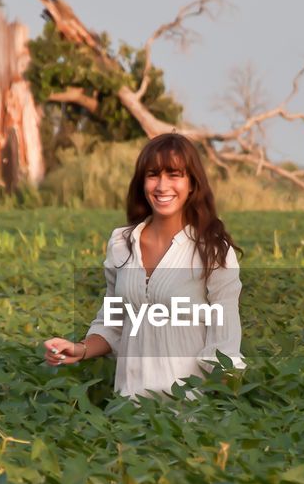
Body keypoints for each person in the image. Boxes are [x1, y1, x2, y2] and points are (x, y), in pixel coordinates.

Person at [42, 132, 245, 398]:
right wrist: (78, 349)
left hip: (190, 414)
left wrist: (226, 412)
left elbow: (225, 343)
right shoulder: (121, 243)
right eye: (153, 175)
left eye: (174, 175)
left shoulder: (213, 251)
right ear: (142, 183)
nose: (162, 186)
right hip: (129, 409)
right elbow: (113, 324)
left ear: (193, 184)